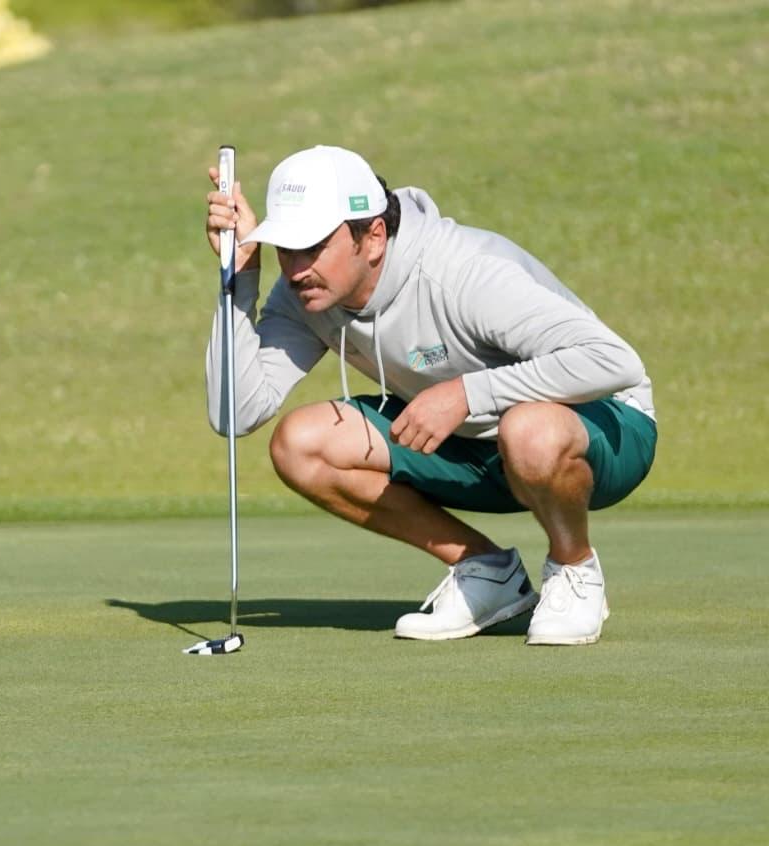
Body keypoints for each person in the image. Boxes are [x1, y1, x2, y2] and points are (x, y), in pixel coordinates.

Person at [203, 146, 657, 645]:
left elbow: (615, 362)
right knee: (300, 444)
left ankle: (575, 570)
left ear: (373, 236)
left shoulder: (463, 272)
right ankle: (487, 572)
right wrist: (239, 278)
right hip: (473, 443)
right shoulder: (306, 293)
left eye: (312, 246)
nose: (295, 268)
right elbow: (235, 413)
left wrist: (465, 393)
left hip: (602, 430)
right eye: (286, 248)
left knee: (529, 428)